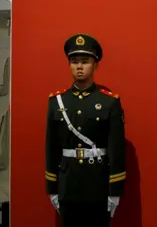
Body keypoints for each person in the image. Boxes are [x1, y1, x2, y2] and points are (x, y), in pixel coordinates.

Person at [45, 33, 126, 227]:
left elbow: (116, 149)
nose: (79, 66)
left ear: (95, 65)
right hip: (68, 184)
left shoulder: (109, 102)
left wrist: (115, 190)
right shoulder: (57, 102)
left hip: (97, 184)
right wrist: (52, 187)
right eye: (74, 61)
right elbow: (51, 147)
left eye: (85, 61)